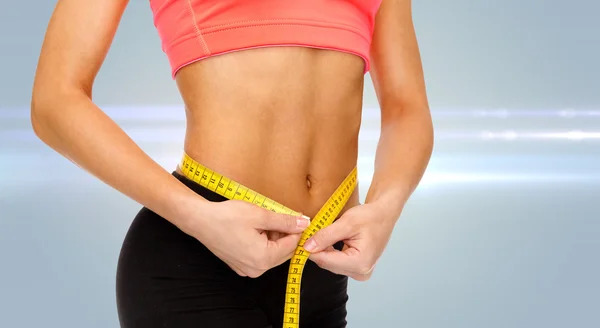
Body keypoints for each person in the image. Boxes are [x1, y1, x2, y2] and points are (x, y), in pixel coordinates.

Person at [30, 0, 434, 327]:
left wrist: (385, 207)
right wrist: (196, 215)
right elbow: (55, 100)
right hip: (198, 260)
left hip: (321, 280)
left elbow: (405, 106)